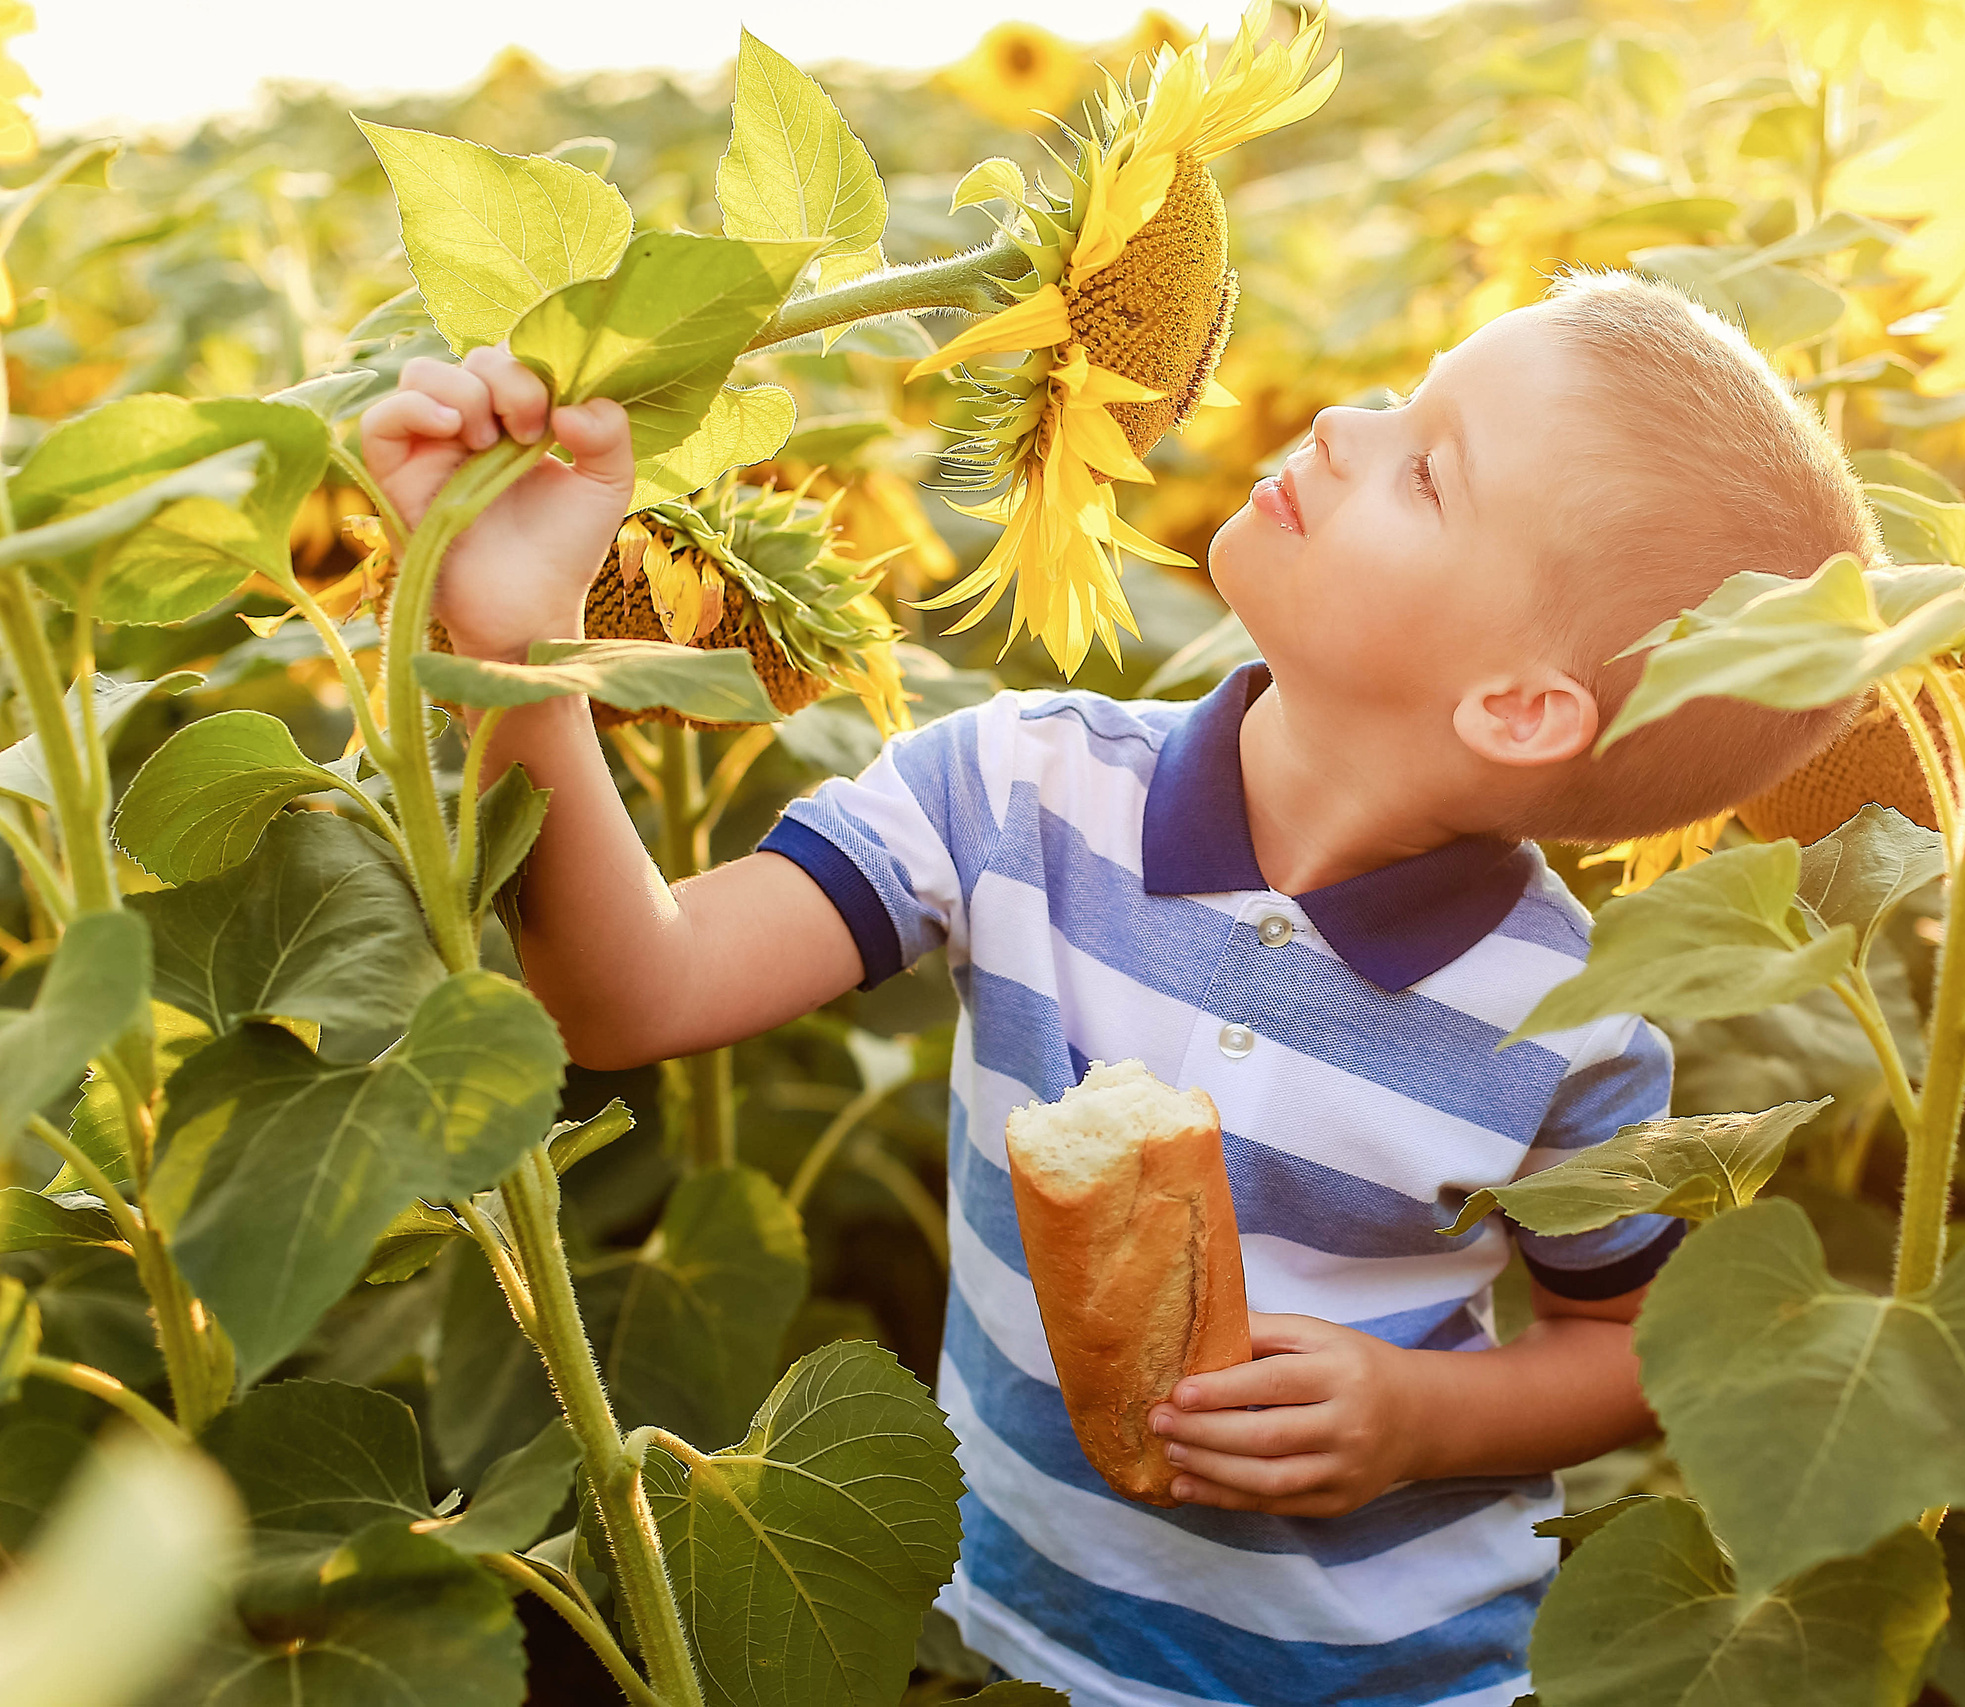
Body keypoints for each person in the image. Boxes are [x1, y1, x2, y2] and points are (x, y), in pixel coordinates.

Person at [362, 267, 1877, 1706]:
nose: (1347, 425)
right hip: (1015, 1638)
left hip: (1394, 1679)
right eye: (1400, 398)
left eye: (1428, 468)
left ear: (1522, 705)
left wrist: (1423, 1422)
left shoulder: (1566, 1019)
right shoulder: (1012, 793)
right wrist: (516, 651)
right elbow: (634, 993)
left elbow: (1645, 1346)